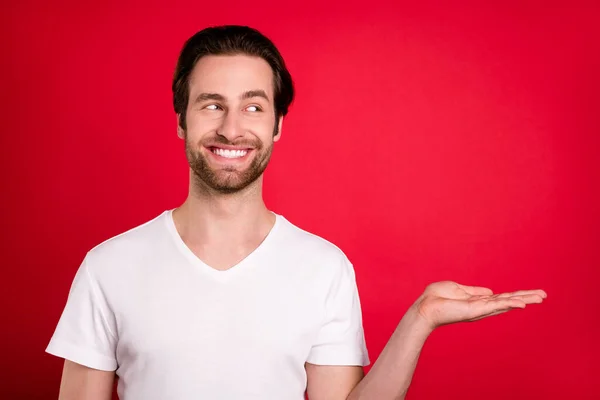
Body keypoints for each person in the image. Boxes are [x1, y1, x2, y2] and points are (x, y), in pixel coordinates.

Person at [46, 25, 547, 400]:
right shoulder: (109, 266)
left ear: (277, 126)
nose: (232, 127)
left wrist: (421, 319)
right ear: (181, 120)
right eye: (212, 105)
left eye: (254, 106)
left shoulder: (323, 268)